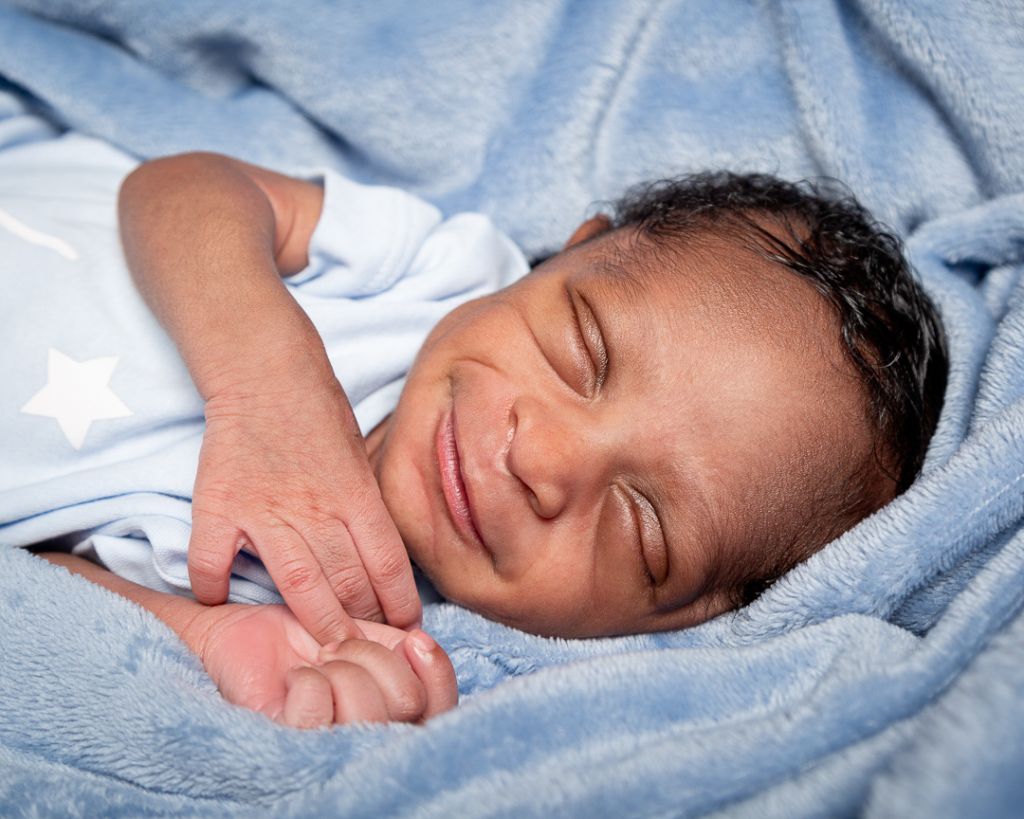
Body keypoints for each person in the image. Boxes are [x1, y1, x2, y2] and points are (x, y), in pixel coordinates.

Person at [1, 134, 946, 729]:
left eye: (639, 526)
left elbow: (42, 568)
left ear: (686, 618)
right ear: (571, 250)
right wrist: (266, 381)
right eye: (582, 350)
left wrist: (210, 638)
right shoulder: (436, 272)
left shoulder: (344, 618)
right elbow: (175, 188)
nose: (546, 459)